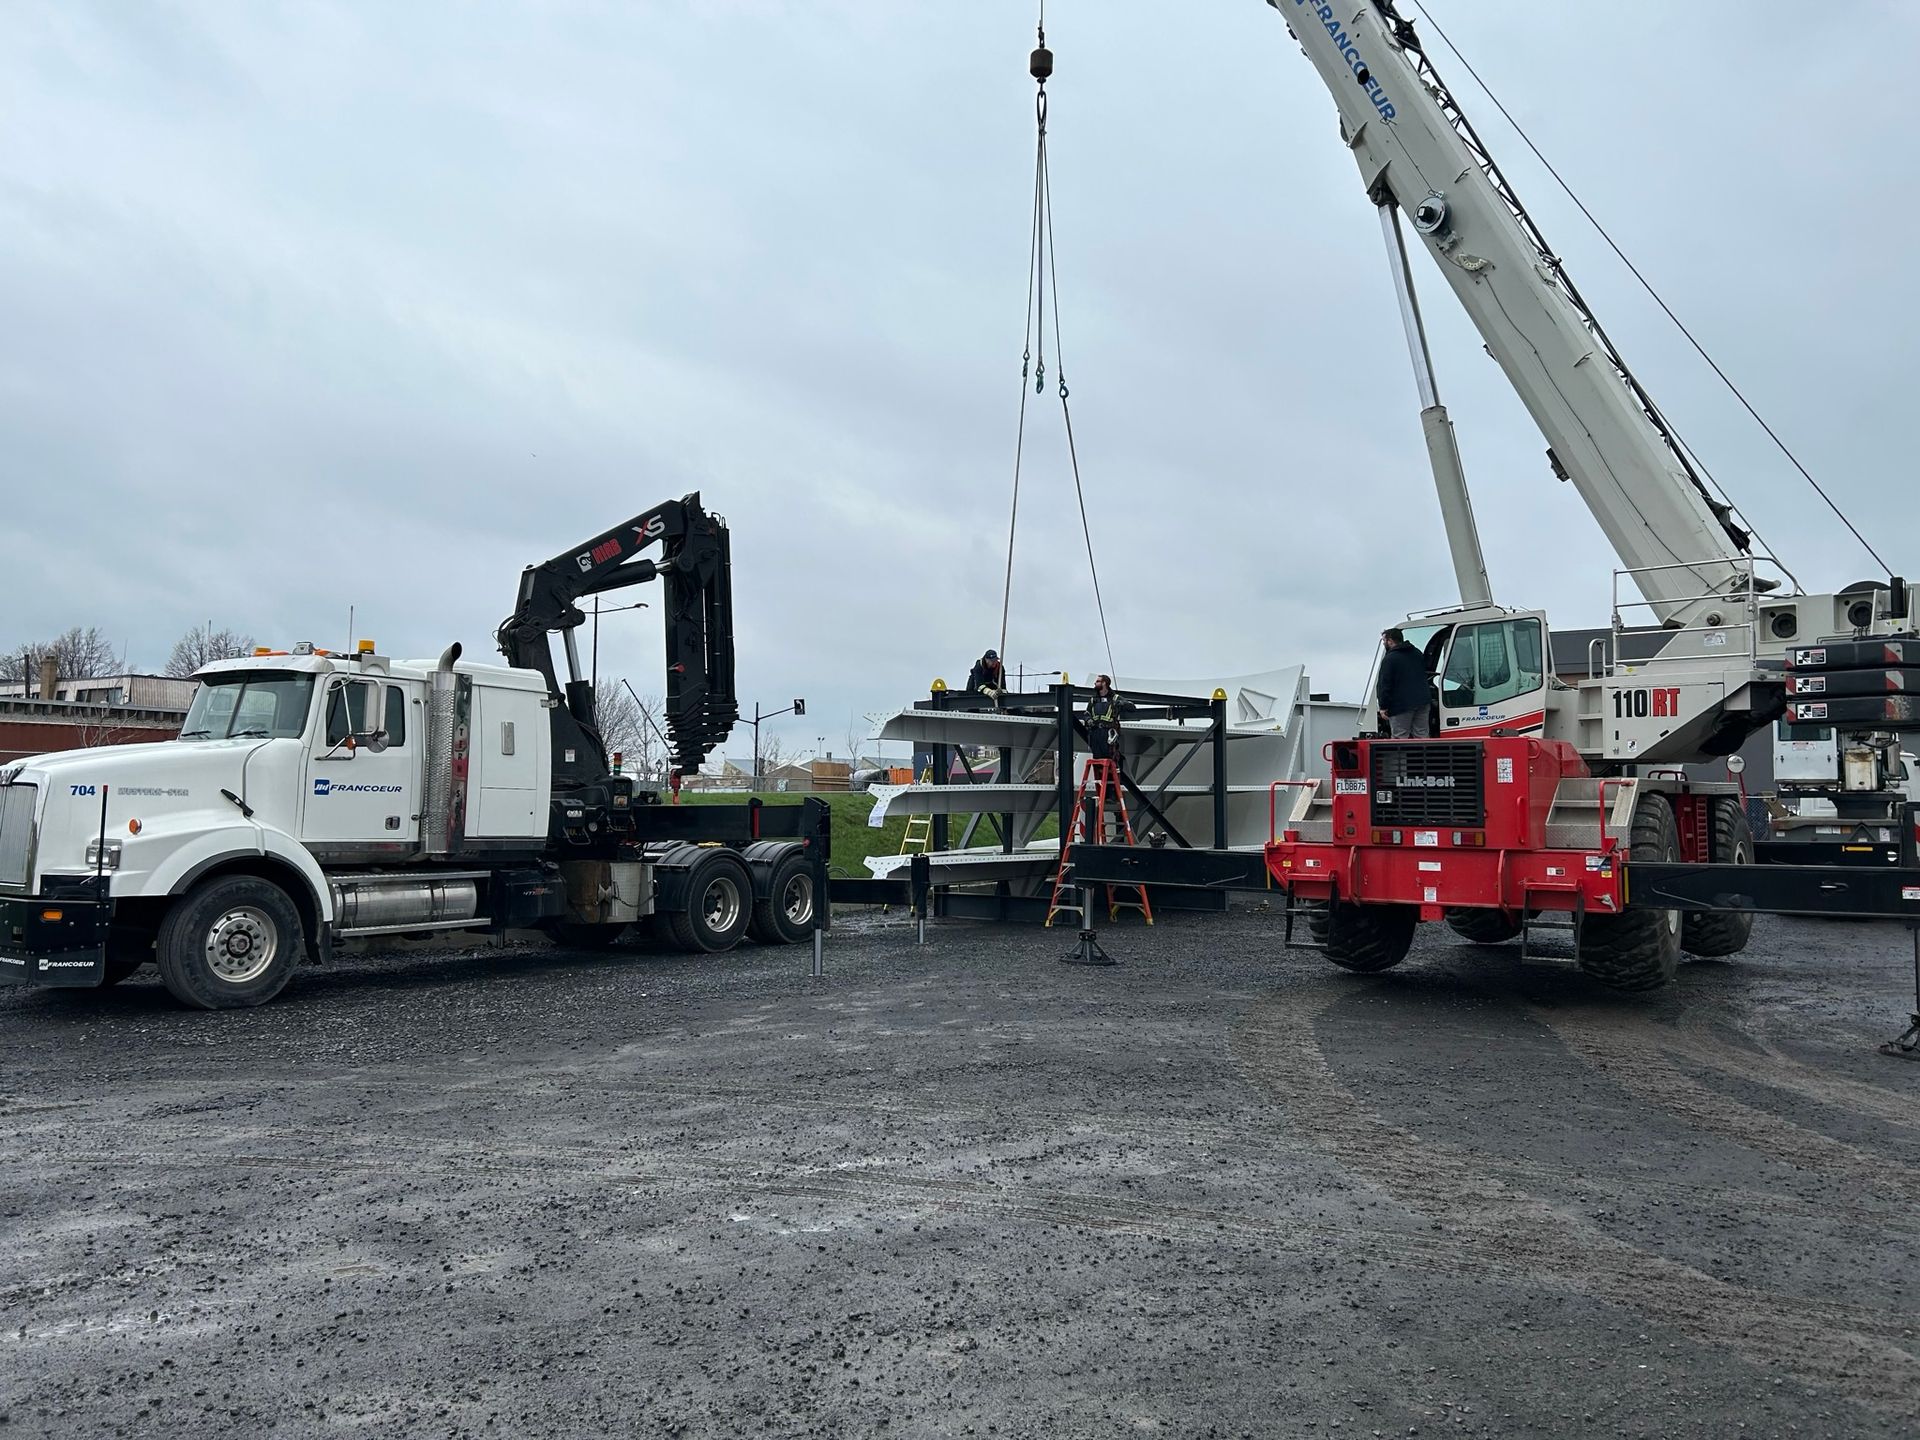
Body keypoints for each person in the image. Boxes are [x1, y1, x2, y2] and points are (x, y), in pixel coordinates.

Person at [1376, 627, 1431, 738]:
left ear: (1390, 641)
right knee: (1422, 735)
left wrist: (1383, 706)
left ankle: (1400, 756)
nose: (1383, 643)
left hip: (1400, 705)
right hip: (1423, 701)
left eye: (1384, 641)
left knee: (1400, 738)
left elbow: (1385, 684)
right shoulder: (1417, 653)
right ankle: (1423, 755)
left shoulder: (1390, 659)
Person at [1085, 674, 1123, 766]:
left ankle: (1111, 778)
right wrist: (1088, 720)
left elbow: (1132, 707)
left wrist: (1121, 703)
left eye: (1098, 681)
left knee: (1109, 759)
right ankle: (1099, 779)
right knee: (1097, 760)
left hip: (1108, 733)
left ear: (1104, 683)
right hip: (1095, 732)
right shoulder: (1093, 700)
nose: (1095, 683)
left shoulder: (1115, 698)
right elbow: (1087, 713)